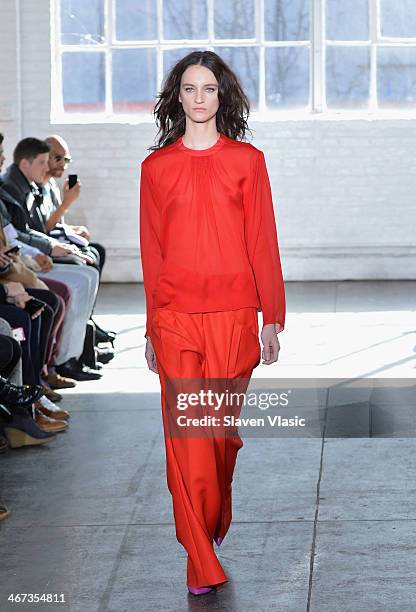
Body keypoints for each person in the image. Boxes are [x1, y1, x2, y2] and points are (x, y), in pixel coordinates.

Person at [140, 51, 286, 596]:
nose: (198, 98)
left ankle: (213, 515)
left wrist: (271, 317)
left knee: (218, 438)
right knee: (189, 438)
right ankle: (199, 555)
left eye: (208, 89)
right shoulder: (156, 169)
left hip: (232, 315)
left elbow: (262, 241)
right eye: (188, 88)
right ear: (176, 97)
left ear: (221, 96)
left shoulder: (247, 161)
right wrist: (152, 326)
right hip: (176, 317)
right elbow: (152, 251)